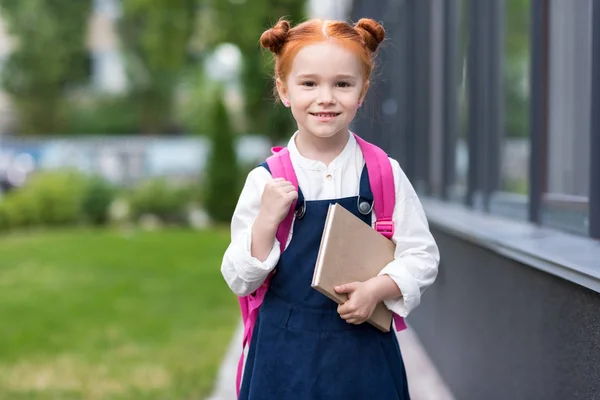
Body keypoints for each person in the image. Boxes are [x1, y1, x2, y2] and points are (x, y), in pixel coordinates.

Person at [221, 17, 440, 400]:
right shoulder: (266, 180)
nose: (326, 97)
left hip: (363, 354)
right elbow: (241, 279)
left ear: (362, 91)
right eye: (309, 83)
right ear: (284, 90)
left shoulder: (383, 173)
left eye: (342, 83)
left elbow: (421, 255)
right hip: (283, 356)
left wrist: (377, 289)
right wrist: (265, 224)